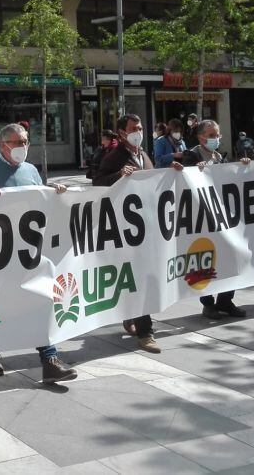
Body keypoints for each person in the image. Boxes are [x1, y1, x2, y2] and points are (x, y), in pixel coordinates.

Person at [0, 123, 78, 383]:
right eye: (17, 142)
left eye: (26, 141)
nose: (23, 147)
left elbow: (40, 200)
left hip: (28, 251)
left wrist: (55, 193)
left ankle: (49, 359)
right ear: (2, 145)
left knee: (39, 300)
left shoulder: (30, 170)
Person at [93, 114, 160, 353]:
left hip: (146, 225)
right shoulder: (115, 156)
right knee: (141, 277)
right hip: (125, 228)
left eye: (140, 127)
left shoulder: (143, 154)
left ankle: (131, 315)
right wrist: (119, 175)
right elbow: (98, 183)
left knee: (141, 276)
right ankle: (145, 332)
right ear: (121, 133)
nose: (138, 132)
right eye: (134, 128)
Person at [176, 120, 249, 319]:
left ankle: (226, 301)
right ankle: (208, 304)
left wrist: (241, 167)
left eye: (217, 134)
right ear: (200, 137)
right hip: (201, 217)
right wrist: (196, 169)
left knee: (230, 255)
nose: (215, 138)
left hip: (222, 215)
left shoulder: (219, 156)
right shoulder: (192, 155)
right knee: (205, 258)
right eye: (211, 135)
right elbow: (183, 178)